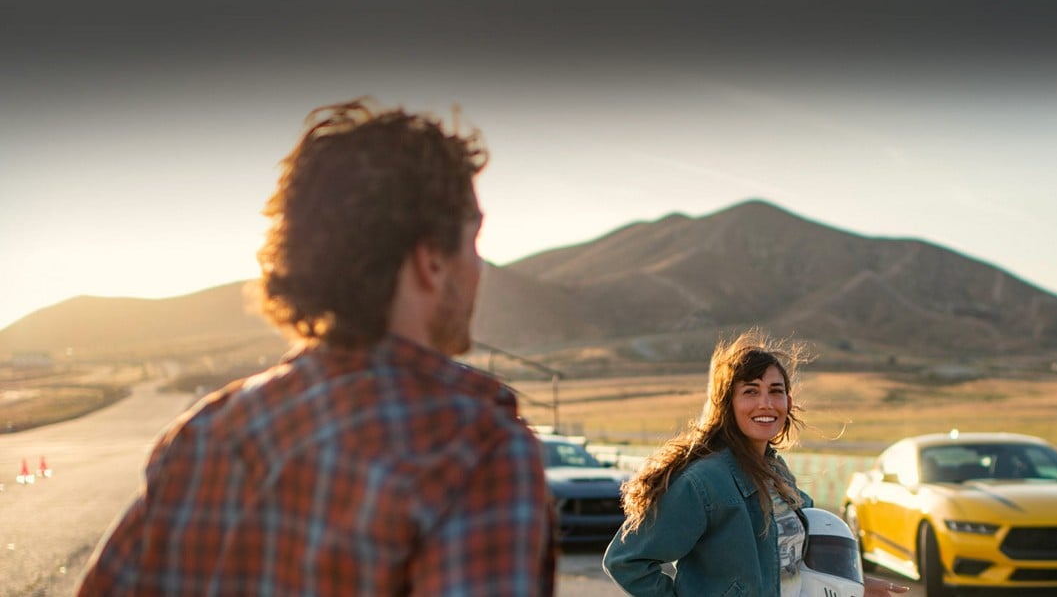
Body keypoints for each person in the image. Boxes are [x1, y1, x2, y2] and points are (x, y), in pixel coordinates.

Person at [78, 99, 555, 595]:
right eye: (473, 239)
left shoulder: (203, 436)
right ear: (431, 259)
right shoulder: (472, 450)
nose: (479, 268)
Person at [603, 330, 906, 596]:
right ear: (727, 404)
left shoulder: (777, 473)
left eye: (776, 391)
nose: (766, 403)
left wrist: (858, 585)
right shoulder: (704, 482)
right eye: (750, 391)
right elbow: (626, 560)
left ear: (788, 401)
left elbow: (796, 558)